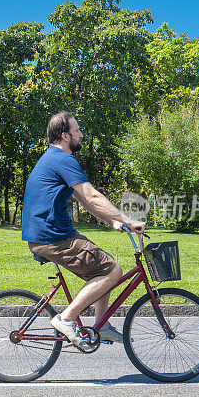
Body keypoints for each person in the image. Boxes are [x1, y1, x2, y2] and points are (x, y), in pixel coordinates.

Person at [21, 111, 145, 349]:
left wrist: (112, 221)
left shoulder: (52, 159)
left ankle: (102, 325)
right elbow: (93, 195)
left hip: (49, 235)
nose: (81, 134)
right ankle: (66, 319)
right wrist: (128, 220)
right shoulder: (63, 160)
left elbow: (84, 200)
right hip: (54, 237)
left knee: (103, 268)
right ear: (65, 136)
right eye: (77, 131)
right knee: (112, 270)